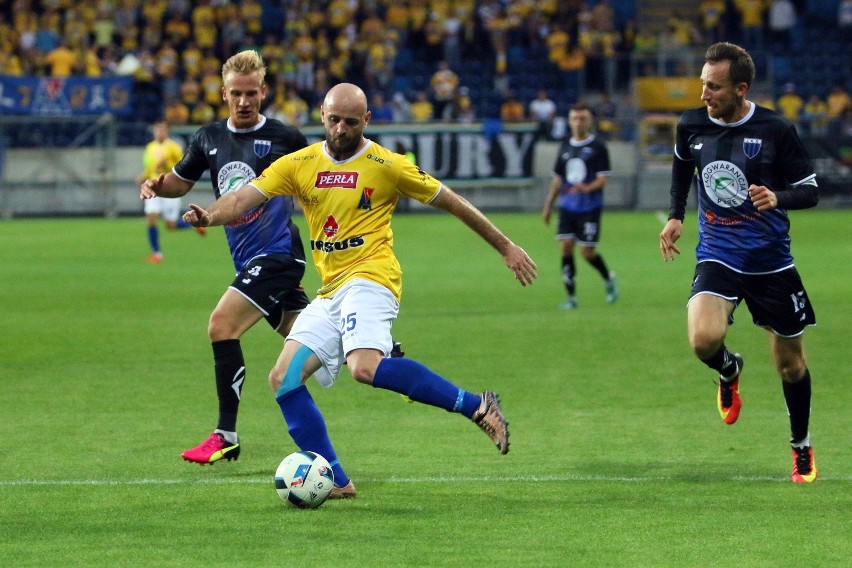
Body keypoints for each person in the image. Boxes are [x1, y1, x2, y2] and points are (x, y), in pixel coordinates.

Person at [181, 83, 538, 485]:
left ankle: (477, 406)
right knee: (283, 379)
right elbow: (243, 198)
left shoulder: (388, 166)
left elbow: (451, 200)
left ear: (366, 120)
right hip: (330, 291)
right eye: (334, 120)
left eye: (351, 122)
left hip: (371, 279)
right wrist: (209, 216)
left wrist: (506, 247)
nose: (341, 129)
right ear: (322, 115)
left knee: (363, 368)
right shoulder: (299, 163)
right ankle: (335, 480)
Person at [138, 51, 345, 487]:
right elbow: (181, 179)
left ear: (263, 92)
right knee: (307, 338)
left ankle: (225, 434)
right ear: (224, 93)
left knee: (221, 325)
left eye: (252, 93)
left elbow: (321, 179)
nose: (244, 101)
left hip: (278, 254)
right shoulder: (208, 137)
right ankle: (380, 350)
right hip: (250, 257)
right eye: (236, 93)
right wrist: (159, 185)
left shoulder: (286, 136)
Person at [658, 42, 819, 483]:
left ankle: (801, 447)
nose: (704, 93)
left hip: (770, 261)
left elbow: (810, 189)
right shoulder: (691, 123)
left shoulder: (776, 129)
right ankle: (729, 369)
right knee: (702, 340)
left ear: (741, 88)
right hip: (718, 252)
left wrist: (777, 197)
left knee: (791, 365)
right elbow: (681, 166)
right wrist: (675, 215)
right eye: (703, 84)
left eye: (714, 86)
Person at [541, 103, 618, 310]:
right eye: (574, 118)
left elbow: (603, 179)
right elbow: (558, 178)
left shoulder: (598, 147)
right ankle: (571, 297)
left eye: (582, 118)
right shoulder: (565, 146)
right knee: (566, 247)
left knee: (587, 253)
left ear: (590, 121)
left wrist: (586, 188)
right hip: (567, 206)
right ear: (569, 121)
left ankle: (608, 279)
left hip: (590, 207)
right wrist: (549, 204)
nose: (578, 122)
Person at [137, 119, 204, 264]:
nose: (159, 132)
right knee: (151, 218)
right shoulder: (150, 147)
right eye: (157, 129)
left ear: (167, 131)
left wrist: (166, 165)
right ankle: (157, 254)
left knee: (171, 225)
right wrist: (143, 177)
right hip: (154, 187)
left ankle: (194, 225)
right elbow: (150, 168)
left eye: (162, 129)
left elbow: (182, 168)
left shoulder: (174, 147)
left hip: (169, 187)